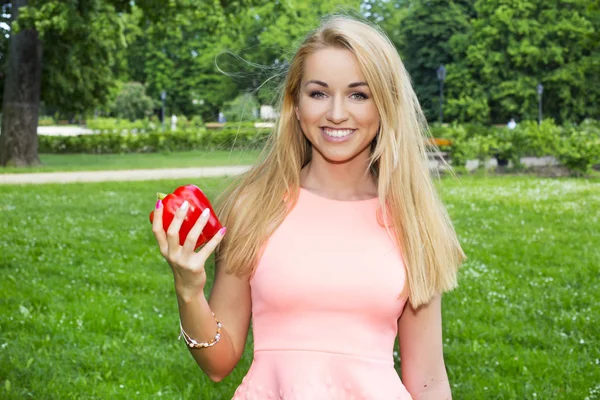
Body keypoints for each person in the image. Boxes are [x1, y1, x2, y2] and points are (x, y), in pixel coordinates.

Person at [151, 15, 466, 400]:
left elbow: (429, 380)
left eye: (358, 94)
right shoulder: (255, 207)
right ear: (295, 106)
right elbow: (218, 363)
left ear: (385, 106)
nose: (336, 113)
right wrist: (188, 289)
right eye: (318, 93)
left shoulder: (413, 222)